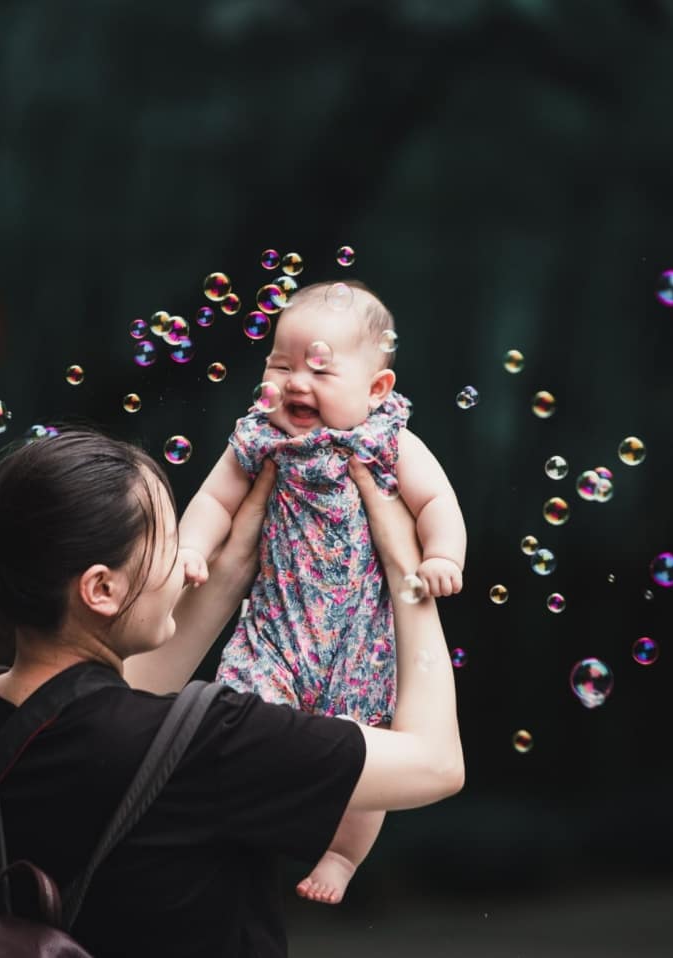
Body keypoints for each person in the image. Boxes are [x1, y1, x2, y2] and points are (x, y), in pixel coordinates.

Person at [0, 428, 464, 958]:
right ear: (100, 587)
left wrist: (240, 555)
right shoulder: (212, 744)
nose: (186, 565)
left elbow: (106, 719)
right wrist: (403, 572)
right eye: (169, 543)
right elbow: (437, 765)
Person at [177, 280, 467, 903]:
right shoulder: (260, 437)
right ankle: (247, 825)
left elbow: (437, 501)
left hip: (360, 647)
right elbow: (213, 501)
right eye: (281, 365)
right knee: (244, 722)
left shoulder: (387, 441)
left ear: (376, 389)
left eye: (319, 369)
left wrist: (442, 554)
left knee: (368, 752)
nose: (295, 383)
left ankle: (342, 853)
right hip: (276, 634)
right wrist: (192, 548)